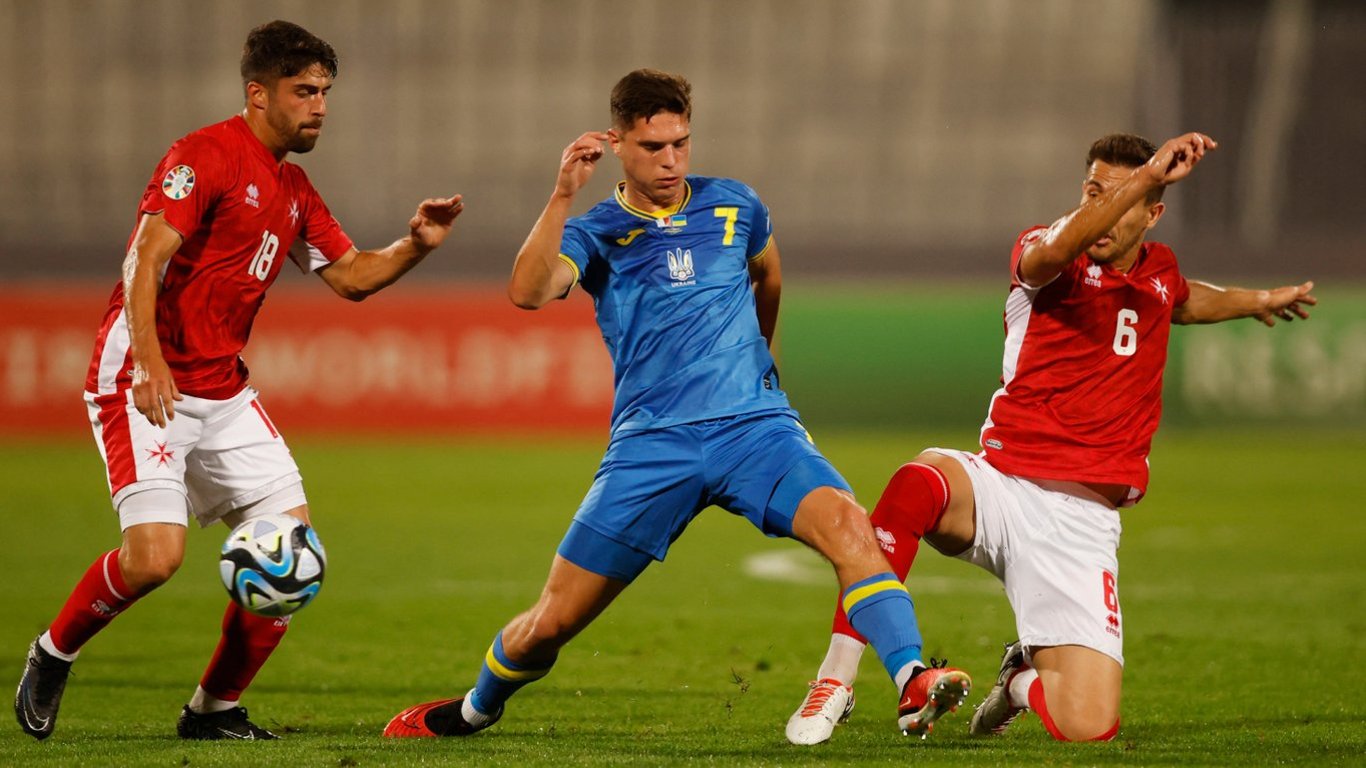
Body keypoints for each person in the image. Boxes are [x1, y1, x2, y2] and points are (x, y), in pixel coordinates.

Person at [383, 68, 970, 741]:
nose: (670, 161)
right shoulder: (597, 231)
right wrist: (562, 195)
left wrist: (762, 361)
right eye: (652, 147)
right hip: (653, 445)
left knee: (849, 527)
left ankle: (911, 677)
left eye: (680, 144)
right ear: (617, 144)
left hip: (754, 430)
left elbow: (768, 274)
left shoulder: (735, 205)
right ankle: (474, 709)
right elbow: (528, 292)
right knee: (554, 620)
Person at [784, 132, 1317, 745]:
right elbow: (1057, 249)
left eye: (1124, 198)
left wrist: (1259, 300)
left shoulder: (1159, 271)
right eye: (1095, 192)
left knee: (1087, 726)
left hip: (1082, 524)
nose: (1104, 210)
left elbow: (1184, 298)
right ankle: (839, 677)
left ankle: (1018, 680)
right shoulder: (1047, 250)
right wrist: (1143, 178)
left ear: (1153, 215)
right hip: (1003, 486)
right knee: (917, 484)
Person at [13, 20, 463, 742]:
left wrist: (416, 245)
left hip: (223, 391)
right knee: (154, 560)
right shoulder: (204, 156)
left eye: (325, 92)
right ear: (259, 94)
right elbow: (144, 259)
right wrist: (150, 360)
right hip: (143, 378)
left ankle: (212, 710)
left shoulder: (294, 187)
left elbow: (351, 277)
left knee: (291, 559)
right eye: (304, 91)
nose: (320, 106)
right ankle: (53, 651)